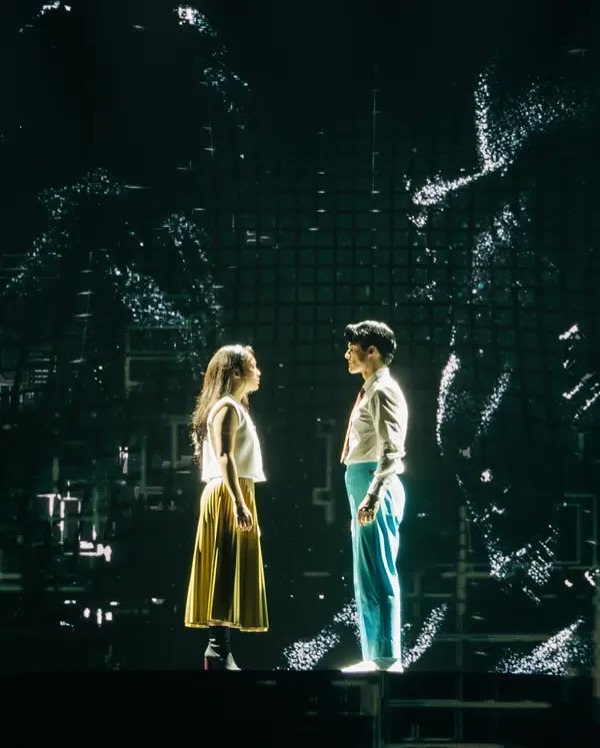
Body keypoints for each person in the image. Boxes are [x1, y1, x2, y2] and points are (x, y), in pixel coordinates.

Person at [184, 343, 269, 670]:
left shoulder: (234, 407)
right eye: (253, 366)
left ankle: (221, 649)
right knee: (223, 568)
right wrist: (238, 501)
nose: (258, 372)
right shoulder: (227, 408)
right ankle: (218, 648)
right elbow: (225, 456)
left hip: (234, 492)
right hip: (227, 493)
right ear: (235, 373)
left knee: (229, 567)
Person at [339, 320, 408, 673]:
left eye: (353, 349)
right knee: (366, 575)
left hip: (371, 482)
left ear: (372, 351)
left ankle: (385, 657)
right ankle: (375, 655)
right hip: (363, 481)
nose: (347, 355)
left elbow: (392, 450)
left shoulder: (383, 391)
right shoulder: (371, 390)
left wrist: (373, 496)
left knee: (379, 572)